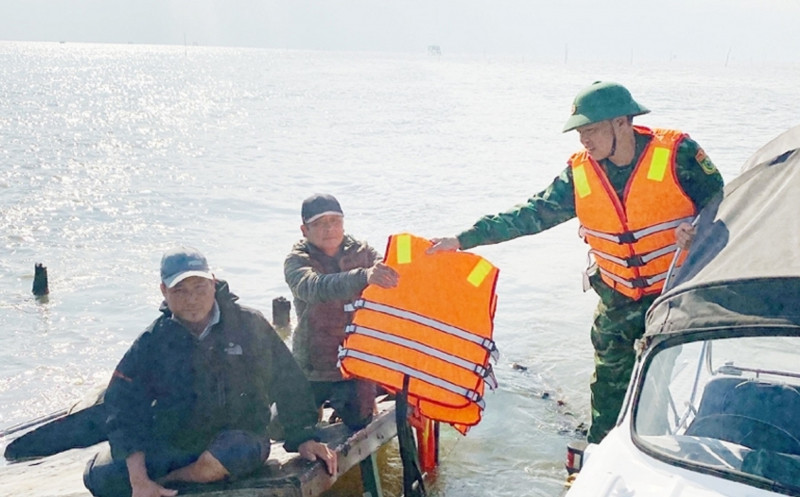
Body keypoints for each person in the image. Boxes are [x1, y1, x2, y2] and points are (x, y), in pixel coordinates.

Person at [429, 81, 724, 443]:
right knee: (607, 389)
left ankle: (653, 454)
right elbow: (531, 213)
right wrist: (463, 239)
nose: (584, 140)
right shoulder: (580, 172)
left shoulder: (679, 154)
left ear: (621, 123)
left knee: (657, 387)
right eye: (580, 132)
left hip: (671, 295)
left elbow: (727, 207)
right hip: (616, 298)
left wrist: (700, 232)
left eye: (592, 130)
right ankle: (599, 457)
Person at [83, 247, 336, 497]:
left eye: (199, 288)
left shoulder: (248, 324)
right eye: (179, 290)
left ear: (213, 284)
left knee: (228, 455)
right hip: (179, 444)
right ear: (163, 291)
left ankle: (168, 482)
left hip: (240, 438)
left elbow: (288, 380)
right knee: (98, 477)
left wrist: (304, 437)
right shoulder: (152, 341)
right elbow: (123, 406)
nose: (191, 299)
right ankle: (164, 480)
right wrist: (138, 480)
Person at [285, 193, 399, 430]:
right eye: (319, 223)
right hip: (311, 367)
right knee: (282, 427)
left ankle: (368, 394)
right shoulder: (296, 261)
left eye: (335, 221)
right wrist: (364, 276)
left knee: (360, 419)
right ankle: (315, 408)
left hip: (354, 366)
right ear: (304, 230)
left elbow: (395, 272)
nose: (329, 229)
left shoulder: (364, 252)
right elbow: (314, 287)